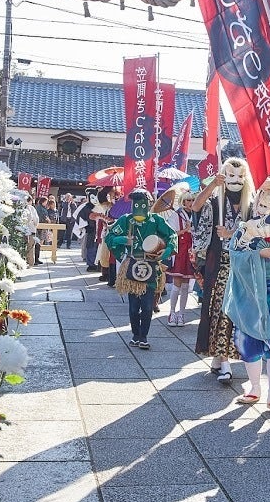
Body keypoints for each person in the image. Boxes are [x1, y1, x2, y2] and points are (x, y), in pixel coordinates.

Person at [223, 177, 270, 407]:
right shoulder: (245, 229)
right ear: (256, 204)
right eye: (263, 205)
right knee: (247, 338)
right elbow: (234, 256)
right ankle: (254, 386)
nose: (267, 211)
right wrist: (256, 255)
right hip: (251, 290)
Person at [192, 158, 255, 382]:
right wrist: (213, 184)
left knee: (239, 315)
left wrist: (232, 234)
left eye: (240, 176)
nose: (236, 180)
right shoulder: (216, 202)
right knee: (220, 310)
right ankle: (225, 363)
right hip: (219, 265)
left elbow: (259, 233)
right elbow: (195, 207)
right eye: (230, 175)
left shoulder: (252, 206)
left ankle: (220, 357)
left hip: (244, 268)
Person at [105, 188, 177, 350]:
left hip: (151, 264)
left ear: (148, 204)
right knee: (133, 306)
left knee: (147, 305)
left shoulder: (156, 220)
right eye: (136, 204)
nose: (139, 207)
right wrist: (121, 239)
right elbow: (109, 237)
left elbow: (171, 235)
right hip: (132, 264)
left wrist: (167, 250)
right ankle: (135, 334)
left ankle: (143, 336)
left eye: (143, 204)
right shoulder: (125, 220)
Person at [158, 188, 197, 327]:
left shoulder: (196, 215)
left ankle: (181, 314)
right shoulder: (176, 215)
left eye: (192, 200)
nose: (191, 202)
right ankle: (172, 312)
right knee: (177, 284)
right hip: (179, 250)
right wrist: (186, 230)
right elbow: (170, 233)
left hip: (191, 251)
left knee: (186, 285)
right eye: (188, 200)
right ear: (183, 201)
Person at [23, 195, 42, 266]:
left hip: (22, 230)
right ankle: (30, 263)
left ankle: (23, 263)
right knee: (30, 248)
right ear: (30, 201)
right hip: (31, 230)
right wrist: (35, 225)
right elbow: (36, 220)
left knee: (23, 247)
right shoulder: (31, 208)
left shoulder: (21, 207)